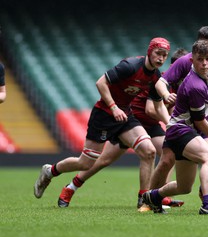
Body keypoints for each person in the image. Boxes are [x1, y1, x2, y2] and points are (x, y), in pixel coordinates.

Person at [34, 38, 171, 207]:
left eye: (165, 55)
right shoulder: (130, 65)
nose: (161, 58)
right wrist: (113, 107)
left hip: (125, 116)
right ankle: (50, 171)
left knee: (149, 151)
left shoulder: (155, 76)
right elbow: (101, 82)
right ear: (149, 51)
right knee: (85, 163)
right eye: (158, 53)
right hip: (104, 115)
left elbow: (156, 105)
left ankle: (144, 199)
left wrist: (169, 122)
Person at [143, 40, 208, 215]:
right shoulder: (194, 85)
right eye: (200, 59)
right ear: (192, 60)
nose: (205, 63)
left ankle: (152, 196)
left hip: (182, 131)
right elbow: (200, 122)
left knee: (184, 187)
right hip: (180, 130)